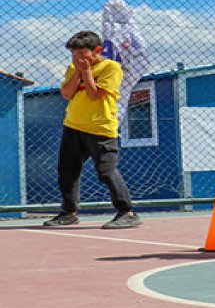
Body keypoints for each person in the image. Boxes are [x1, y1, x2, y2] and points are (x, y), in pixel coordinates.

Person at [43, 30, 141, 229]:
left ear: (97, 50)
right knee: (67, 171)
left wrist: (86, 72)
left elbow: (95, 95)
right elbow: (67, 93)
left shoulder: (111, 67)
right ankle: (69, 212)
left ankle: (127, 212)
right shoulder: (73, 68)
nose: (77, 58)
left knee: (106, 171)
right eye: (73, 54)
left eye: (81, 54)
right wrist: (78, 71)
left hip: (100, 128)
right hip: (73, 126)